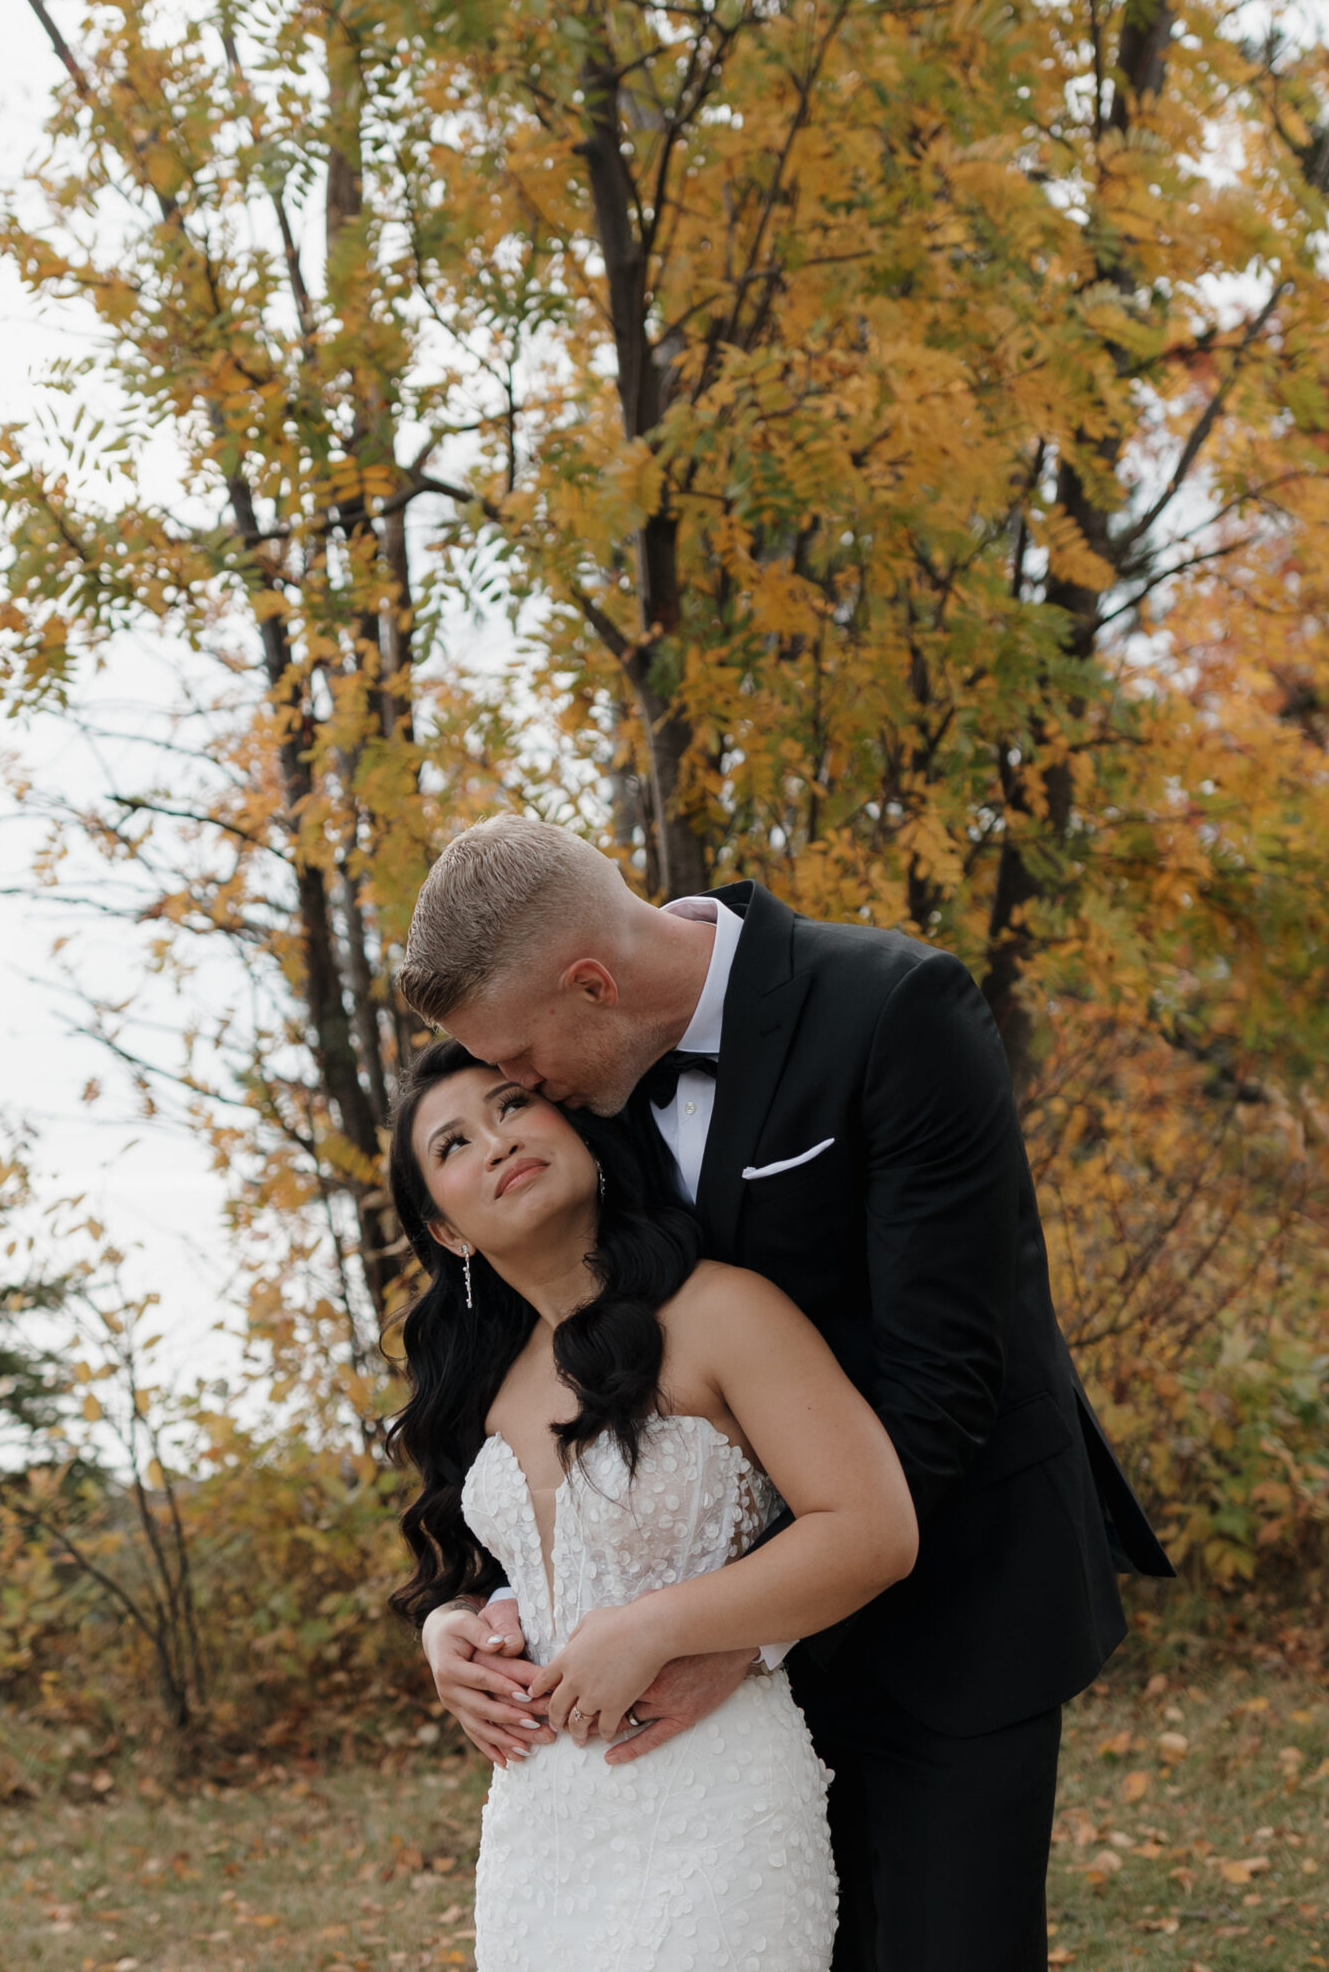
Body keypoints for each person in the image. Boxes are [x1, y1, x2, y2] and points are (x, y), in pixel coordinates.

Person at [401, 816, 1173, 1972]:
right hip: (708, 1677)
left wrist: (749, 1624)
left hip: (954, 1594)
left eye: (515, 1065)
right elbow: (581, 1411)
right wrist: (468, 1618)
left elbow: (946, 1375)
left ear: (592, 983)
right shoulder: (591, 1088)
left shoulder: (894, 1009)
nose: (515, 1092)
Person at [387, 1037, 919, 1971]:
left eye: (512, 1105)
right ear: (448, 1232)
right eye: (454, 1144)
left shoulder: (722, 1313)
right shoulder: (481, 1390)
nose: (498, 1141)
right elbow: (522, 1582)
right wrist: (450, 1636)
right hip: (540, 1830)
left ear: (582, 1134)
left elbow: (871, 1529)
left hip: (715, 1803)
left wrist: (655, 1627)